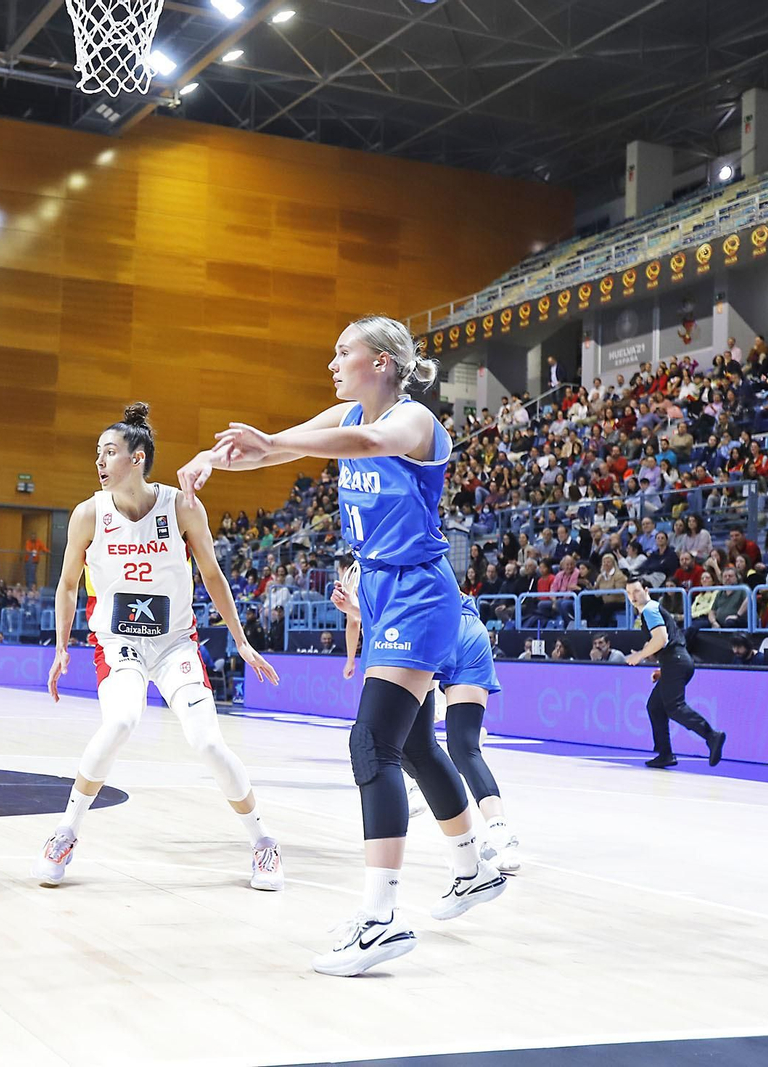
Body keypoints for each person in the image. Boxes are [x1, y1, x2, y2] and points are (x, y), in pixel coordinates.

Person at [179, 314, 504, 977]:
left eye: (342, 351)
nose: (332, 361)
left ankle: (381, 919)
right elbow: (285, 448)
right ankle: (474, 866)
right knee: (411, 743)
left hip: (417, 591)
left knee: (372, 744)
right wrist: (218, 456)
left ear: (381, 362)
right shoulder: (348, 409)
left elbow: (359, 439)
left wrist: (275, 440)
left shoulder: (412, 421)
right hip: (384, 590)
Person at [36, 404, 283, 890]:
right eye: (97, 454)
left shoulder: (183, 506)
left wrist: (241, 640)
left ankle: (263, 844)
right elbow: (67, 586)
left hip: (174, 643)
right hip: (117, 642)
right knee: (123, 720)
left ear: (138, 457)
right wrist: (62, 648)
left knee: (208, 742)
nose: (100, 462)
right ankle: (65, 832)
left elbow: (212, 574)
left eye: (109, 452)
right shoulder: (89, 513)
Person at [336, 575, 521, 873]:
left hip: (431, 630)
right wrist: (356, 611)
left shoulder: (373, 566)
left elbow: (382, 619)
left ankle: (418, 787)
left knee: (397, 739)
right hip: (469, 628)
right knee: (464, 749)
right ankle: (502, 838)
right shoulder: (415, 552)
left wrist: (354, 616)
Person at [623, 577, 726, 769]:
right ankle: (665, 754)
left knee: (675, 707)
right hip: (675, 662)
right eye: (629, 593)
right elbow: (669, 640)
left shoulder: (649, 609)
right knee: (655, 706)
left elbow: (661, 639)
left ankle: (711, 735)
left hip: (676, 661)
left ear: (646, 590)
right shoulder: (651, 610)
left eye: (636, 591)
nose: (633, 596)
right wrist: (664, 669)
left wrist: (640, 656)